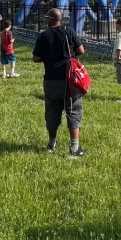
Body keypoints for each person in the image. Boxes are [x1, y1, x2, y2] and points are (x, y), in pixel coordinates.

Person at [32, 8, 87, 157]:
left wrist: (48, 57)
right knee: (73, 111)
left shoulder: (43, 36)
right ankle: (75, 149)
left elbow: (36, 58)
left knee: (51, 112)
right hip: (69, 80)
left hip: (50, 80)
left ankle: (51, 144)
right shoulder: (68, 32)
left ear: (51, 19)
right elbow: (81, 50)